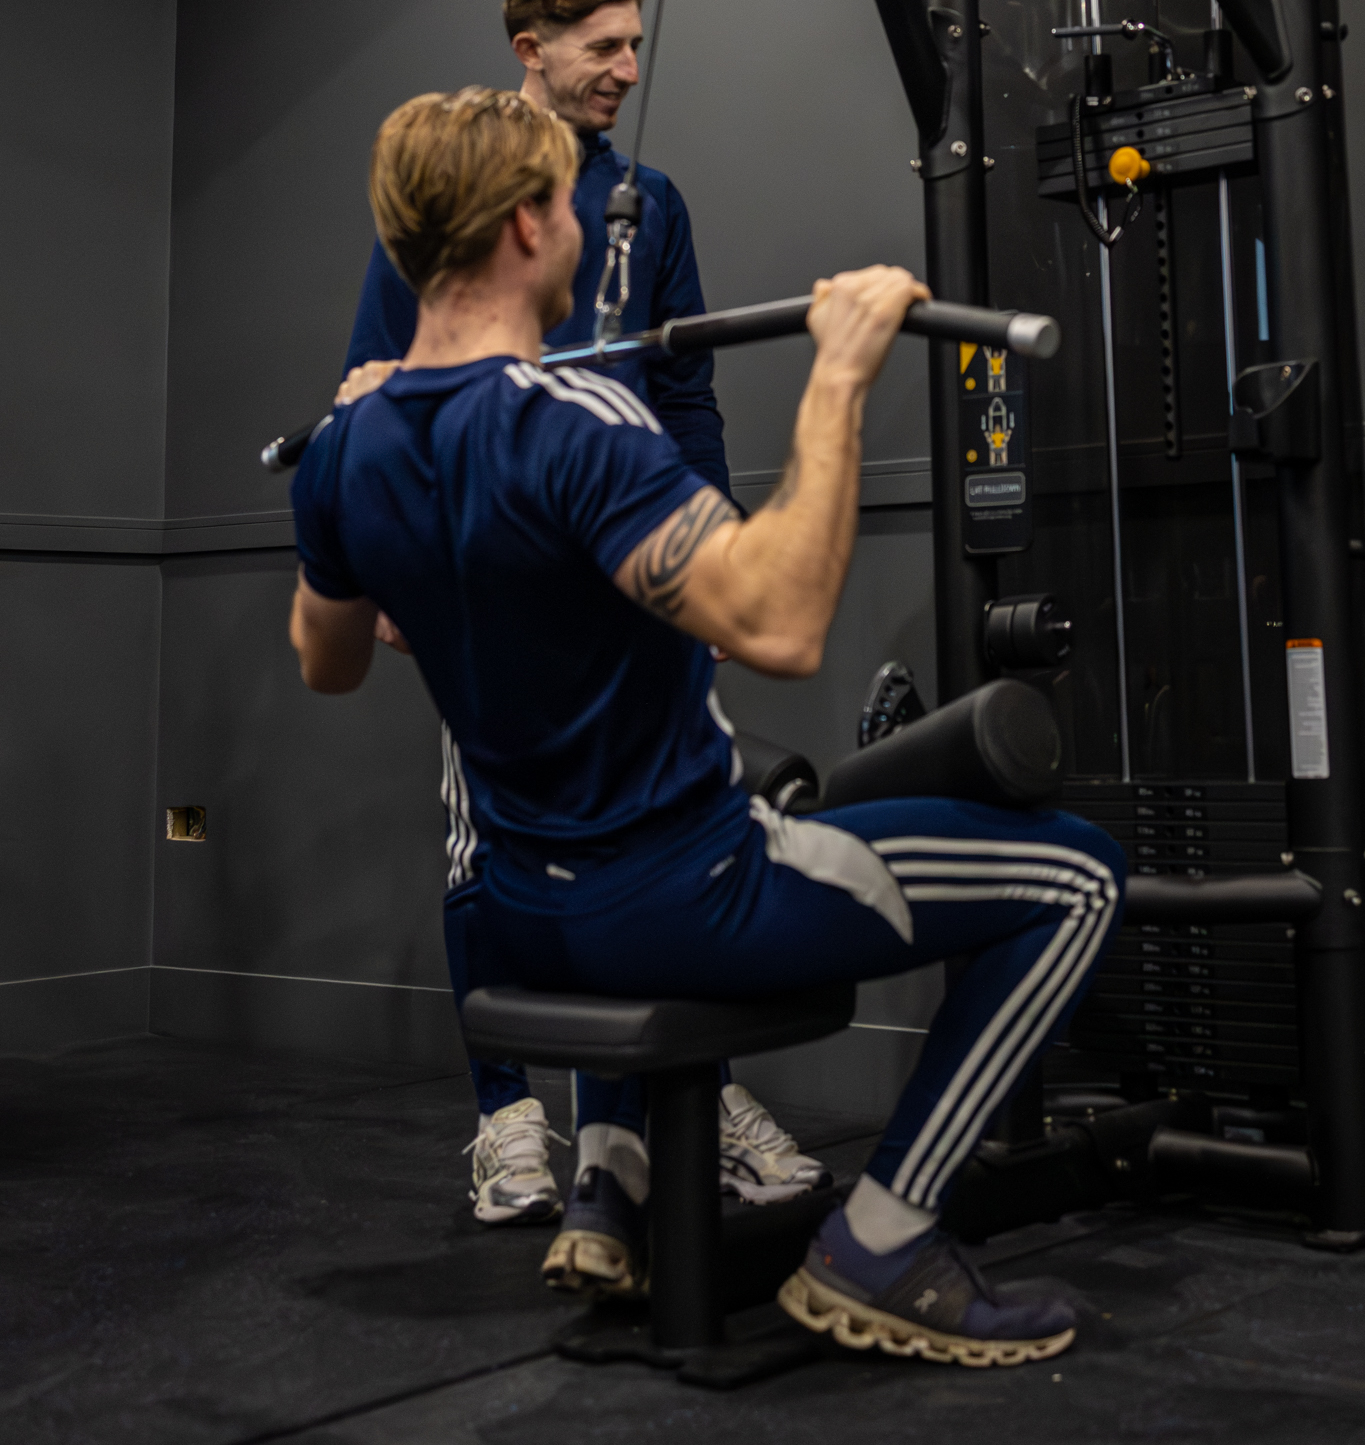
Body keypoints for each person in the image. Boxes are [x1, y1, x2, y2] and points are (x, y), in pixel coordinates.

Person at [290, 89, 1124, 1365]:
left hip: (520, 913)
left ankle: (609, 1185)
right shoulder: (582, 424)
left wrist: (384, 480)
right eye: (565, 205)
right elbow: (781, 625)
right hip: (685, 896)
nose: (576, 227)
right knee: (1076, 873)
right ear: (526, 224)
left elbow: (329, 660)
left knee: (774, 811)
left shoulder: (346, 448)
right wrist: (840, 375)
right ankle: (884, 1245)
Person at [339, 0, 821, 1249]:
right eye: (602, 45)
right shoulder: (454, 191)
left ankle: (650, 1127)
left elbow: (690, 395)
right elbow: (376, 375)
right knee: (481, 844)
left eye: (633, 43)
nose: (626, 67)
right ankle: (508, 1122)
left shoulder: (649, 204)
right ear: (530, 48)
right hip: (493, 552)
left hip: (634, 541)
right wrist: (391, 557)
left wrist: (714, 549)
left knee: (650, 833)